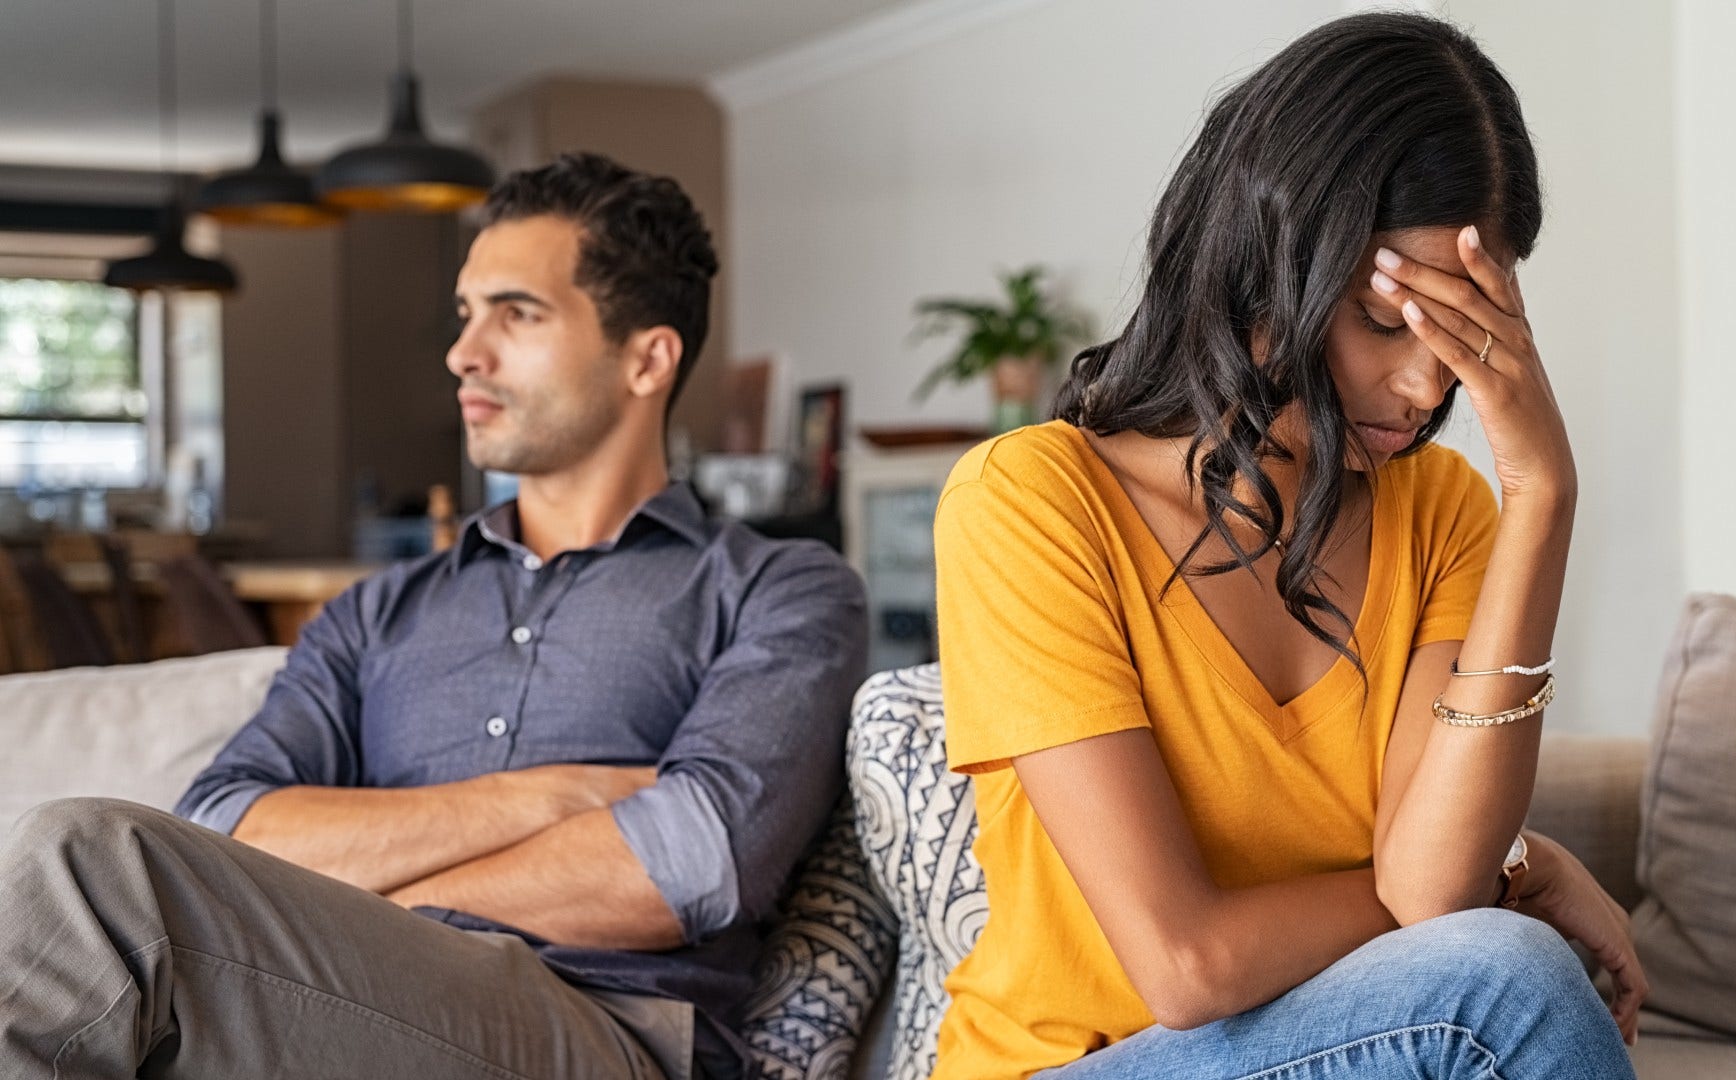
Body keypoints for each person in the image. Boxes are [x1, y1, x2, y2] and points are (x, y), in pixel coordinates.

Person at [0, 152, 868, 1080]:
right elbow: (226, 820)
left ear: (647, 358)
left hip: (604, 1030)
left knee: (90, 860)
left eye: (516, 313)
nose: (464, 352)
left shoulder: (782, 588)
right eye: (466, 314)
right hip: (342, 1002)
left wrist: (360, 895)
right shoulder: (377, 612)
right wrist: (546, 797)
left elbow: (689, 860)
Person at [930, 13, 1643, 1079]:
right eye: (1384, 318)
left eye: (1469, 333)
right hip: (1075, 1065)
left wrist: (1543, 488)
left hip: (1336, 1043)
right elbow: (1186, 966)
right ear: (1264, 264)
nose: (1429, 385)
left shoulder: (1442, 508)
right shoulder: (1030, 502)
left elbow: (1431, 897)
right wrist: (1507, 874)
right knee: (1507, 981)